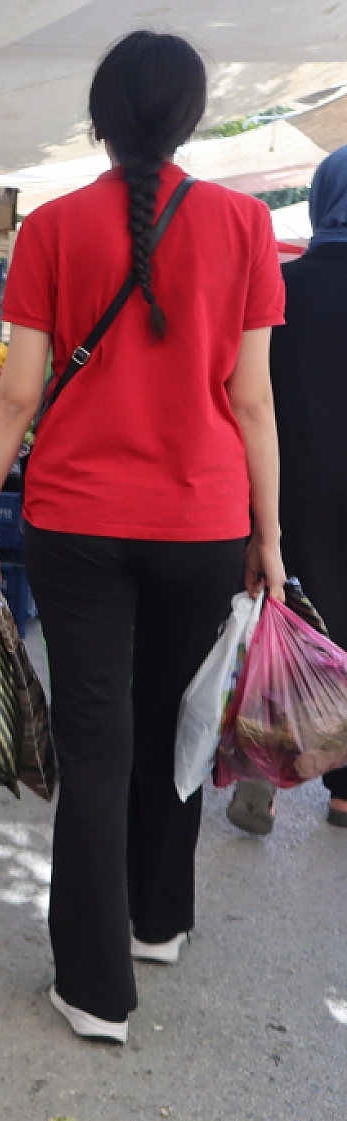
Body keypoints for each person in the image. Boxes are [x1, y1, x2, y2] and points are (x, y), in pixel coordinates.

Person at [0, 31, 285, 1045]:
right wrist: (266, 537)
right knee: (175, 721)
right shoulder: (243, 226)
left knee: (95, 741)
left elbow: (15, 396)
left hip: (74, 523)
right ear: (188, 118)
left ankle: (93, 989)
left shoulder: (51, 229)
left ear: (98, 119)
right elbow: (251, 401)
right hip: (201, 520)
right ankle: (157, 919)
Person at [225, 147, 347, 835]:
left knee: (287, 614)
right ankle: (344, 792)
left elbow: (250, 395)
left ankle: (264, 773)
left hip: (292, 482)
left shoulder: (282, 286)